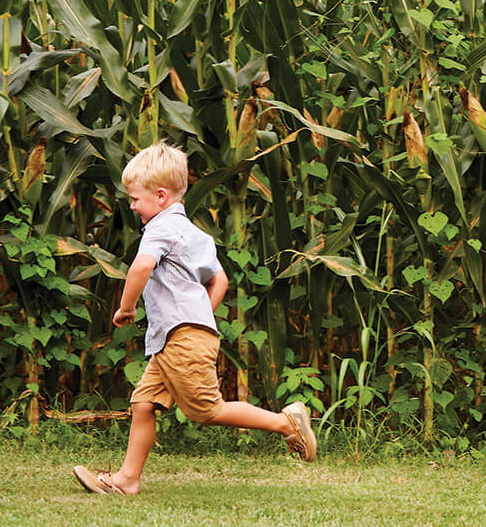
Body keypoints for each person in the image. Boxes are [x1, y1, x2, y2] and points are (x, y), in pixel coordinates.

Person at [73, 141, 318, 495]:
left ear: (160, 196)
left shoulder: (159, 227)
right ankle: (127, 480)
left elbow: (141, 266)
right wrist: (200, 317)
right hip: (181, 336)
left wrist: (126, 308)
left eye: (135, 199)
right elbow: (220, 280)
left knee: (207, 410)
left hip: (181, 337)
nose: (132, 206)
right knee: (143, 404)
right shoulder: (195, 233)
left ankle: (287, 423)